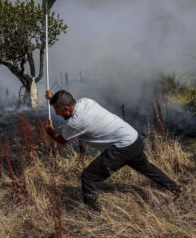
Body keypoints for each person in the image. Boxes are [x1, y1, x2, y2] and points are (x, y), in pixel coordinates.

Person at [45, 89, 185, 213]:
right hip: (133, 139)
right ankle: (176, 188)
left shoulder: (75, 122)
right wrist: (52, 99)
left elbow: (62, 140)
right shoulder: (86, 101)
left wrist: (50, 131)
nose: (58, 115)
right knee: (146, 168)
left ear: (66, 109)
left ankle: (93, 216)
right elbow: (64, 101)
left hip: (122, 148)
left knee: (89, 178)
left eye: (58, 111)